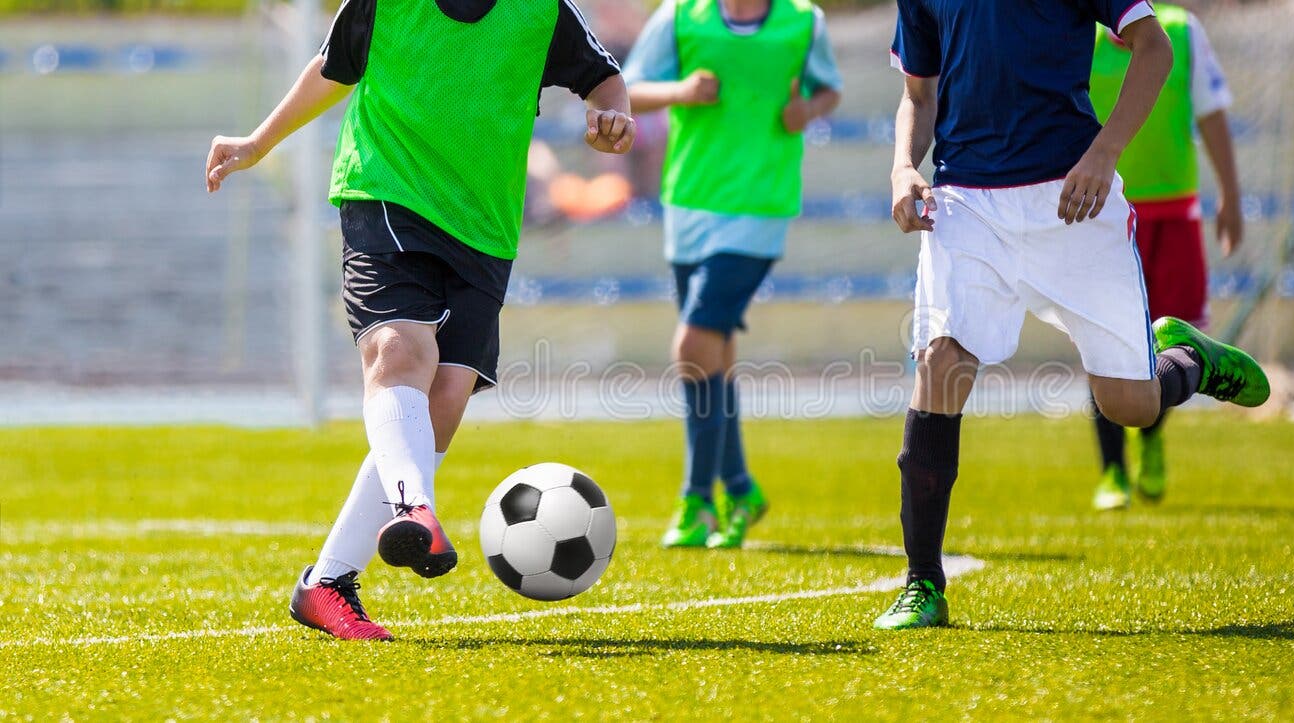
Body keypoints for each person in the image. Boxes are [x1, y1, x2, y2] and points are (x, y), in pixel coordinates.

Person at [205, 0, 635, 640]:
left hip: (484, 224)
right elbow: (333, 68)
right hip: (387, 188)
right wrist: (257, 143)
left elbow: (601, 76)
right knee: (399, 353)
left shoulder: (543, 9)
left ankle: (326, 585)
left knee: (444, 398)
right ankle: (414, 507)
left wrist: (613, 115)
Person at [877, 0, 1271, 630]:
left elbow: (1155, 48)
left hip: (1071, 195)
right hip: (966, 202)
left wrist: (1104, 151)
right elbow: (918, 96)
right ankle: (922, 583)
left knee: (1131, 406)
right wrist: (902, 167)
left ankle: (1188, 360)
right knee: (941, 364)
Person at [622, 0, 842, 550]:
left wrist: (807, 113)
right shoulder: (679, 17)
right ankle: (741, 491)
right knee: (710, 354)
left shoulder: (804, 20)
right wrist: (681, 92)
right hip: (689, 204)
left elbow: (829, 89)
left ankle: (697, 499)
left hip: (760, 208)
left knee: (692, 343)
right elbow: (628, 90)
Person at [1086, 2, 1244, 511]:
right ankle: (1113, 470)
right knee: (1101, 339)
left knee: (1177, 336)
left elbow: (1212, 115)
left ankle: (1150, 435)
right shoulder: (1077, 35)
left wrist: (1231, 196)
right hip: (1104, 213)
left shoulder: (1180, 31)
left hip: (1174, 212)